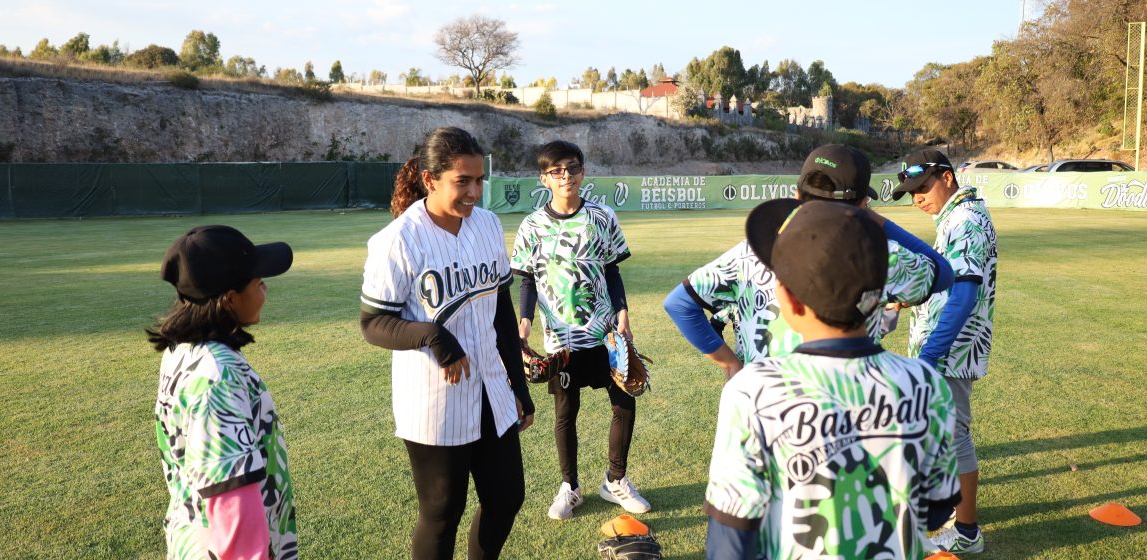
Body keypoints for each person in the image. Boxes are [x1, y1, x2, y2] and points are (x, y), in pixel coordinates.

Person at [703, 200, 961, 559]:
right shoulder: (926, 383)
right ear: (878, 299)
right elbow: (937, 508)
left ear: (788, 301)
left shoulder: (751, 391)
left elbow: (730, 543)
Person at [360, 127, 534, 560]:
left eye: (480, 180)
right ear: (430, 179)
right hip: (435, 396)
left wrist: (519, 385)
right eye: (463, 181)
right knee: (442, 511)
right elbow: (373, 322)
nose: (475, 191)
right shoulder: (398, 240)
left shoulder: (488, 225)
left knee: (507, 496)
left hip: (491, 387)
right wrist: (433, 335)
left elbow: (500, 311)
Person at [663, 144, 952, 379]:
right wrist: (877, 221)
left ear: (796, 195)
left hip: (763, 406)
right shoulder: (881, 253)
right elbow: (943, 273)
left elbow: (679, 303)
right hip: (848, 411)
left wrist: (730, 364)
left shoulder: (750, 251)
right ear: (862, 204)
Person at [510, 139, 651, 520]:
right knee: (564, 411)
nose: (566, 176)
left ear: (583, 172)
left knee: (624, 400)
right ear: (545, 179)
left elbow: (612, 271)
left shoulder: (603, 217)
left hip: (604, 333)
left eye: (572, 168)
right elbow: (527, 280)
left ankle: (616, 480)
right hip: (562, 339)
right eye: (557, 171)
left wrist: (623, 314)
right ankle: (570, 487)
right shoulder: (532, 227)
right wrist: (524, 321)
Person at [149, 224, 297, 560]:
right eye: (258, 282)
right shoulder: (216, 377)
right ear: (230, 299)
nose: (265, 288)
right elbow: (233, 508)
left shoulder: (183, 349)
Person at [891, 148, 998, 554]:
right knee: (943, 433)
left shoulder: (966, 220)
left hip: (951, 349)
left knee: (954, 437)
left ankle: (967, 531)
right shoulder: (954, 217)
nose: (917, 197)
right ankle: (950, 512)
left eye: (922, 187)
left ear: (947, 178)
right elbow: (947, 279)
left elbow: (965, 293)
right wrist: (908, 300)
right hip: (947, 346)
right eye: (911, 191)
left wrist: (930, 357)